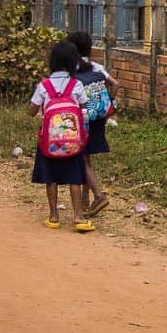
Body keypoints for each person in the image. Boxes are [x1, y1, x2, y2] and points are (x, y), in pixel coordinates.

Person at [28, 41, 94, 232]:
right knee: (75, 177)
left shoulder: (44, 85)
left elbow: (32, 111)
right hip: (72, 141)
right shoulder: (77, 84)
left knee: (51, 178)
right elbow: (84, 110)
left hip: (49, 142)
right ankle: (78, 216)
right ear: (73, 62)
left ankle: (54, 216)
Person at [66, 31, 119, 216]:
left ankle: (98, 196)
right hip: (98, 118)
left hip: (81, 118)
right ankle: (85, 199)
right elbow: (115, 84)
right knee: (87, 157)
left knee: (81, 158)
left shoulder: (70, 69)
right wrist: (108, 104)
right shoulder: (96, 67)